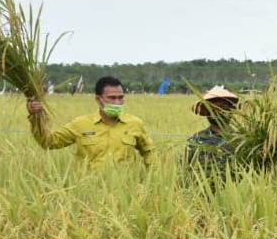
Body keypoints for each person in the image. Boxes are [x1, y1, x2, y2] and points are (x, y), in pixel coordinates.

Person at [26, 76, 154, 169]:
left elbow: (149, 151)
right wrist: (36, 117)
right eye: (112, 98)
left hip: (124, 193)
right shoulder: (80, 124)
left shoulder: (135, 124)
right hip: (89, 193)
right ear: (98, 100)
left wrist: (152, 179)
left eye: (120, 98)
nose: (117, 102)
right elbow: (49, 142)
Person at [184, 85, 240, 178]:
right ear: (206, 112)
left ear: (231, 111)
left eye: (223, 107)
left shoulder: (242, 141)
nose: (219, 111)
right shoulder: (195, 141)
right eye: (213, 108)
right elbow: (185, 173)